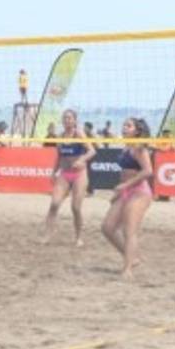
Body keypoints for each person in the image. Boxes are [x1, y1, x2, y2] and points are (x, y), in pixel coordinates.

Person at [102, 117, 155, 278]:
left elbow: (148, 171)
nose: (124, 128)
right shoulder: (126, 147)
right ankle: (133, 257)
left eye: (128, 126)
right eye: (124, 125)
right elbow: (124, 174)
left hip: (139, 191)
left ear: (137, 131)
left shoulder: (139, 148)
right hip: (126, 191)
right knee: (107, 228)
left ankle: (127, 269)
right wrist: (118, 192)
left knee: (129, 230)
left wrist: (125, 186)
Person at [43, 109, 95, 247]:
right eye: (65, 118)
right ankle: (47, 235)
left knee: (75, 208)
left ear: (74, 120)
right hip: (65, 173)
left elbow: (92, 151)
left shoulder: (79, 133)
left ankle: (78, 238)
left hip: (79, 173)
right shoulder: (60, 136)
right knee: (54, 204)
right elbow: (59, 156)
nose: (67, 120)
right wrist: (54, 172)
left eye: (70, 118)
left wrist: (82, 160)